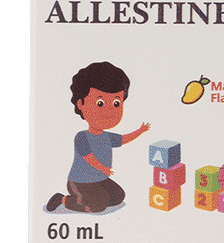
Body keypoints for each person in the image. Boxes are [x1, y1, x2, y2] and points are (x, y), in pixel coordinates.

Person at [46, 61, 150, 213]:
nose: (109, 111)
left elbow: (123, 139)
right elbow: (88, 157)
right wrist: (103, 168)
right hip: (79, 182)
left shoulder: (107, 136)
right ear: (81, 104)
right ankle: (62, 199)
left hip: (99, 179)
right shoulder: (82, 137)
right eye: (100, 103)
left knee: (118, 196)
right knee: (97, 205)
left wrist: (139, 131)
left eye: (116, 103)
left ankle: (89, 197)